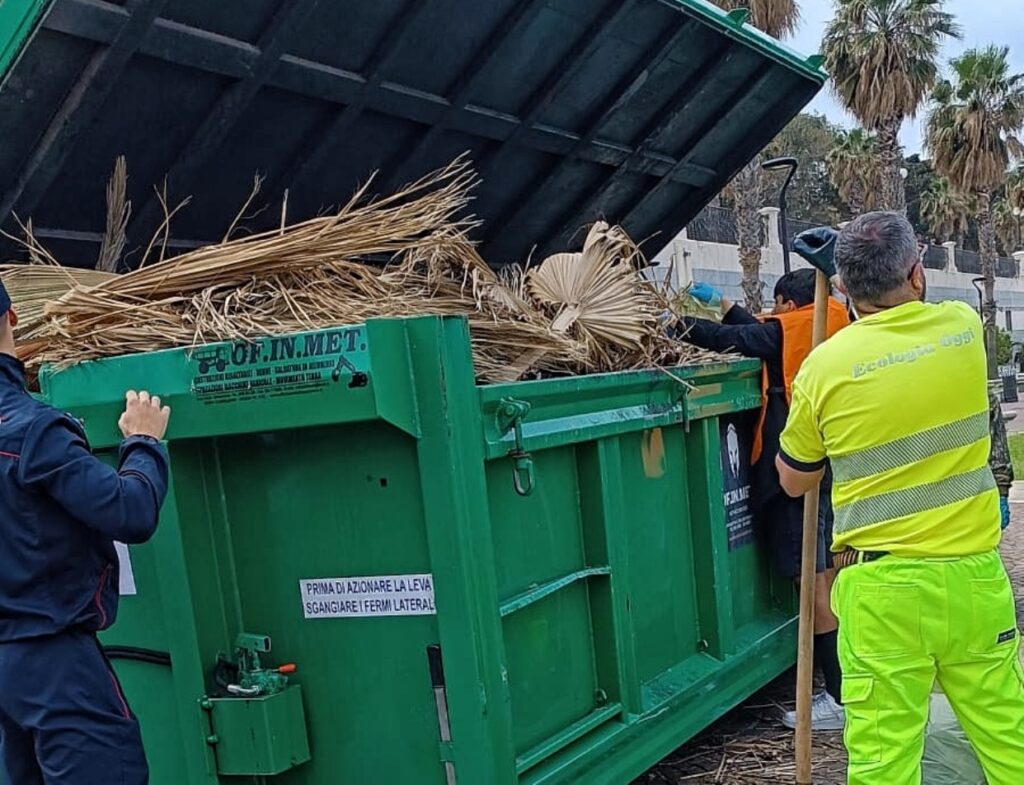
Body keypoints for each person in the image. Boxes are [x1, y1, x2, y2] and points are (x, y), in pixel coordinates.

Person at [776, 211, 1024, 784]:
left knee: (884, 763)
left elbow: (793, 480)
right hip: (972, 582)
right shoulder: (963, 330)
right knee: (1009, 740)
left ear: (842, 287)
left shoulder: (823, 368)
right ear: (917, 274)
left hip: (881, 594)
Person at [0, 279, 171, 785]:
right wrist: (143, 442)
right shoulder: (32, 430)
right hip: (55, 663)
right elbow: (130, 512)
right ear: (13, 318)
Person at [672, 269, 850, 730]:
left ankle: (840, 698)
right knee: (828, 577)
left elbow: (731, 339)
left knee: (812, 585)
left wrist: (669, 322)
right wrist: (726, 305)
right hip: (834, 463)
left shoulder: (785, 332)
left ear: (789, 303)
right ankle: (851, 686)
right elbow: (766, 333)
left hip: (796, 468)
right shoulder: (836, 320)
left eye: (778, 307)